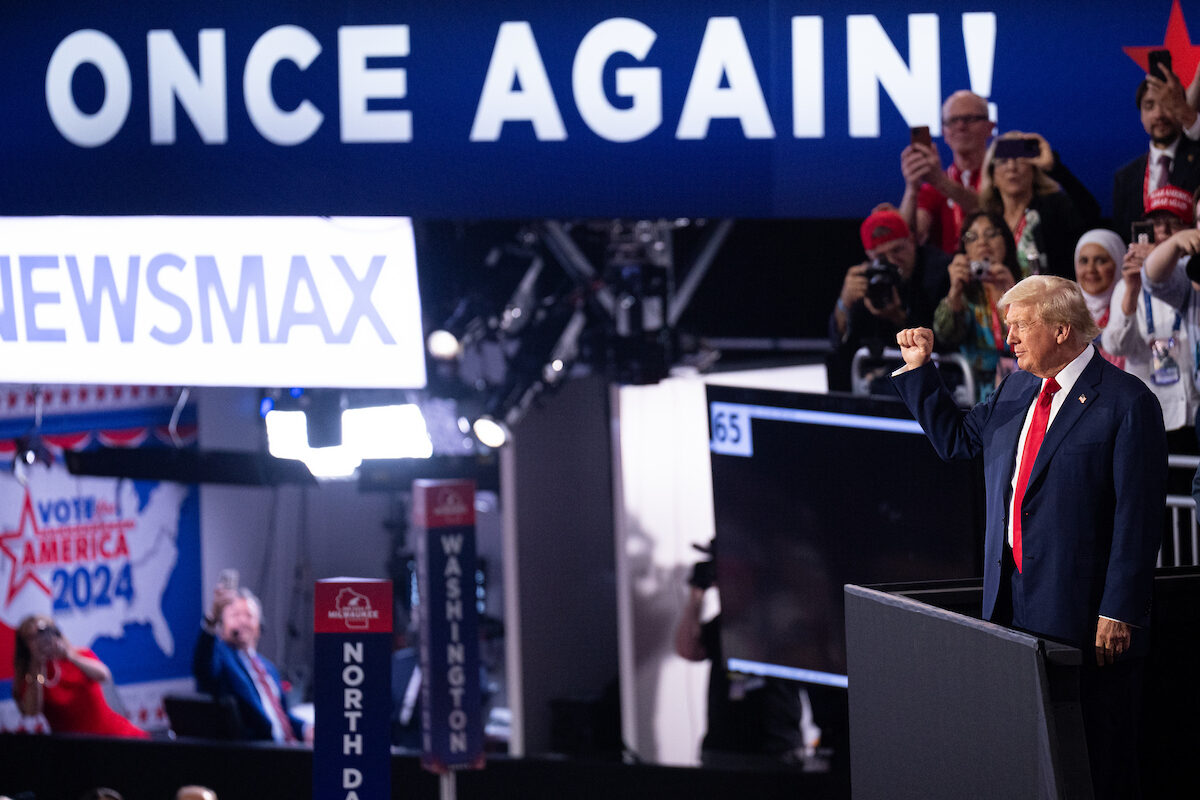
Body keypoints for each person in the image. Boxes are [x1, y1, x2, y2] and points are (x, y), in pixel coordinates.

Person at [892, 275, 1167, 799]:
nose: (1009, 338)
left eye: (1019, 326)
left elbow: (1139, 516)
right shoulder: (1018, 387)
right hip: (1010, 602)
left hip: (1085, 616)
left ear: (1062, 329)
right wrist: (920, 371)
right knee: (1032, 756)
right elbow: (957, 442)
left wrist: (1120, 609)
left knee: (1095, 760)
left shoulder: (1127, 403)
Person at [673, 542, 822, 770]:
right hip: (723, 750)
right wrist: (697, 593)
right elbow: (689, 649)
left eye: (738, 574)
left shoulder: (783, 614)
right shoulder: (723, 623)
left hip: (776, 749)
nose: (731, 584)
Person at [1103, 189, 1200, 448]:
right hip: (1151, 413)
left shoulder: (1194, 278)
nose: (1164, 232)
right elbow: (1115, 347)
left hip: (1194, 406)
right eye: (1157, 224)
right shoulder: (1126, 286)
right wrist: (1133, 290)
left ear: (1191, 229)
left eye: (1174, 223)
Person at [826, 208, 950, 391]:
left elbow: (946, 342)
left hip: (937, 369)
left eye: (898, 249)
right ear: (870, 256)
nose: (892, 260)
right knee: (835, 358)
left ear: (912, 241)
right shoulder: (869, 276)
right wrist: (844, 302)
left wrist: (899, 318)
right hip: (884, 368)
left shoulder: (940, 271)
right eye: (882, 256)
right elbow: (838, 341)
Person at [192, 584, 308, 744]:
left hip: (290, 747)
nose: (242, 621)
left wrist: (305, 729)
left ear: (259, 626)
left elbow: (282, 714)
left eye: (249, 615)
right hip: (257, 753)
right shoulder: (222, 658)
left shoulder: (268, 668)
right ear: (222, 623)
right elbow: (203, 669)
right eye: (235, 615)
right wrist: (212, 619)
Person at [977, 131, 1099, 279]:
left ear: (1034, 170)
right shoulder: (987, 219)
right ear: (992, 175)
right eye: (1003, 161)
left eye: (1020, 159)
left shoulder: (1055, 207)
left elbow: (1091, 214)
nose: (1011, 167)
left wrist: (1054, 167)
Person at [10, 615, 147, 739]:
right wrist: (37, 666)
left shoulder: (79, 655)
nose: (40, 640)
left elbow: (104, 675)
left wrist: (70, 656)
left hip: (114, 735)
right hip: (75, 750)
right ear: (24, 644)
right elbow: (32, 711)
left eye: (43, 633)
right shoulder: (30, 677)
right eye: (32, 637)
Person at [931, 210, 1019, 400]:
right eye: (972, 237)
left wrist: (1013, 291)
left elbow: (1038, 336)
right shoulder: (964, 293)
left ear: (1006, 241)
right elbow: (945, 336)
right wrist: (955, 291)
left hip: (1022, 386)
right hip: (975, 393)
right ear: (965, 248)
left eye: (991, 234)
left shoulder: (1026, 283)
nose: (982, 243)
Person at [898, 90, 991, 255]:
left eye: (969, 119)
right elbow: (909, 237)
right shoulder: (932, 189)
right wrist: (912, 189)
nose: (961, 126)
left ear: (990, 127)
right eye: (952, 121)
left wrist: (939, 181)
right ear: (944, 132)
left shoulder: (1004, 176)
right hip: (949, 274)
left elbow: (992, 211)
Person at [1114, 69, 1200, 241]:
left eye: (1166, 104)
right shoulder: (1125, 177)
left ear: (1179, 106)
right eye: (1150, 106)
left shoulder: (1197, 159)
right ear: (1141, 115)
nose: (1159, 114)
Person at [1074, 229, 1126, 368]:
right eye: (1084, 261)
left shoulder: (1131, 306)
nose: (1091, 269)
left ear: (1118, 262)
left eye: (1101, 261)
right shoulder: (1066, 310)